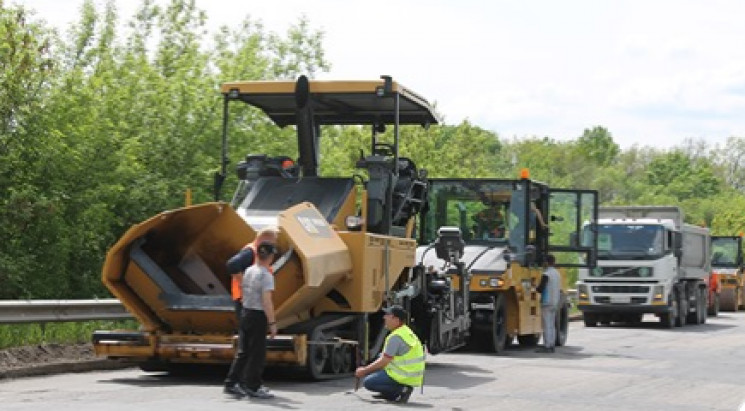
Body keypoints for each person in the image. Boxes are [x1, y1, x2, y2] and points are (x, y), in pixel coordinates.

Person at [223, 241, 279, 399]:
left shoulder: (249, 270)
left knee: (243, 351)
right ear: (270, 256)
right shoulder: (266, 275)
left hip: (245, 312)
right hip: (257, 315)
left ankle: (232, 382)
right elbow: (266, 301)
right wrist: (272, 323)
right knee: (257, 353)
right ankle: (253, 386)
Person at [355, 305, 425, 404]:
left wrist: (364, 370)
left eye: (388, 315)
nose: (384, 317)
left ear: (396, 319)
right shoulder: (405, 331)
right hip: (411, 375)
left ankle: (402, 389)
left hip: (403, 375)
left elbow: (384, 361)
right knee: (379, 361)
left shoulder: (396, 337)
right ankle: (391, 394)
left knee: (369, 382)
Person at [226, 227, 280, 327]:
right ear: (266, 240)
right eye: (273, 242)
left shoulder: (255, 252)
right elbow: (232, 264)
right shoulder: (250, 252)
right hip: (245, 301)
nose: (273, 245)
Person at [535, 254, 560, 353]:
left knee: (546, 324)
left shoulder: (546, 274)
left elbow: (541, 289)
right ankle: (552, 345)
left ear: (546, 262)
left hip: (546, 301)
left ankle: (547, 346)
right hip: (555, 301)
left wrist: (534, 287)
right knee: (552, 324)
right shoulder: (557, 273)